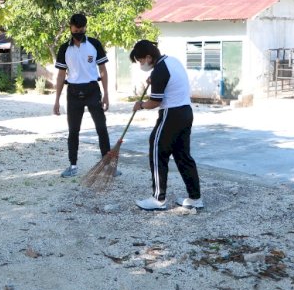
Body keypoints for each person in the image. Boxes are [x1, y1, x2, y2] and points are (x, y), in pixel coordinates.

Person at [129, 40, 202, 210]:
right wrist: (153, 79)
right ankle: (195, 198)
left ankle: (158, 199)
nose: (141, 64)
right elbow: (166, 80)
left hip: (171, 114)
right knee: (183, 156)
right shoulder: (171, 61)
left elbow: (155, 102)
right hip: (185, 112)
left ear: (148, 57)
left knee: (157, 149)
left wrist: (140, 105)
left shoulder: (160, 70)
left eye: (140, 61)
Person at [53, 13, 112, 177]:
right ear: (70, 27)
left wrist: (106, 94)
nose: (79, 31)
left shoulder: (94, 44)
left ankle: (107, 166)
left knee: (101, 128)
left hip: (93, 90)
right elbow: (60, 75)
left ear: (85, 27)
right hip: (72, 92)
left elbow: (103, 71)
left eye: (82, 28)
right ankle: (72, 166)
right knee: (73, 131)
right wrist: (56, 100)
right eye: (76, 28)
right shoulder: (65, 48)